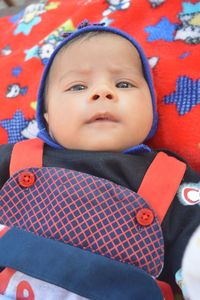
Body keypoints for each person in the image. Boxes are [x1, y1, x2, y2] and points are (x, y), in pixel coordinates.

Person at [0, 20, 199, 299]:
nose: (103, 92)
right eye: (78, 87)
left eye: (124, 83)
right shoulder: (14, 158)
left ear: (151, 110)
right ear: (47, 117)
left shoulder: (173, 178)